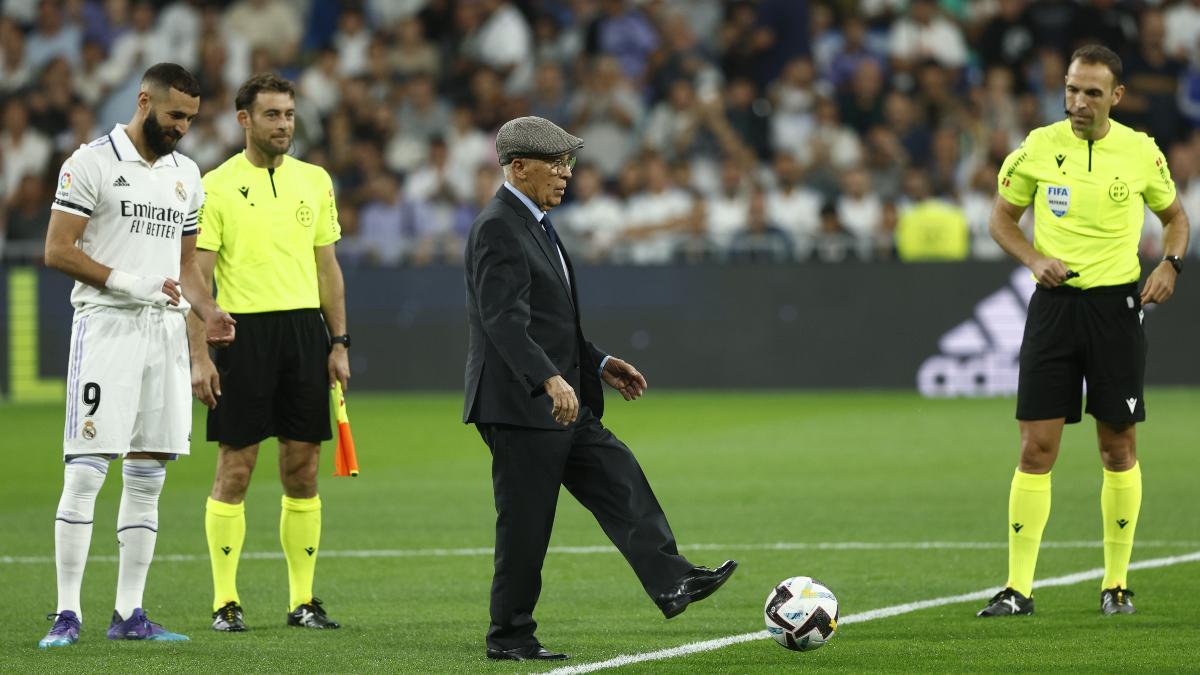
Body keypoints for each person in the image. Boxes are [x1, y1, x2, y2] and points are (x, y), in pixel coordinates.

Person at [463, 116, 737, 662]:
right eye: (556, 164)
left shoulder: (535, 222)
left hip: (563, 399)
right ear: (519, 167)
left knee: (618, 473)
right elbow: (504, 323)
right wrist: (547, 377)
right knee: (527, 523)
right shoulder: (499, 225)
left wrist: (600, 361)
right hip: (522, 405)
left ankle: (673, 580)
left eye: (569, 163)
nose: (567, 174)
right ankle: (510, 637)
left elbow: (550, 322)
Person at [977, 45, 1190, 618]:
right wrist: (1032, 259)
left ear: (1116, 97)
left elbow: (1175, 218)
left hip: (1116, 309)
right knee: (1035, 446)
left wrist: (1170, 264)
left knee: (1117, 447)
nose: (1078, 102)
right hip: (1053, 308)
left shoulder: (1141, 151)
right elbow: (1000, 218)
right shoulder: (1041, 147)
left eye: (1092, 92)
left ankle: (1116, 583)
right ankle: (1018, 588)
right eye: (1072, 89)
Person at [38, 63, 236, 648]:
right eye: (175, 115)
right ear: (144, 100)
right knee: (86, 471)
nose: (182, 128)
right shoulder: (90, 162)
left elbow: (186, 270)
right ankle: (66, 613)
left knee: (147, 476)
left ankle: (129, 614)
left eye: (192, 119)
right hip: (107, 329)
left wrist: (208, 312)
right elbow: (57, 249)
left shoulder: (187, 175)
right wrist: (129, 283)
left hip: (165, 336)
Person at [189, 73, 349, 632]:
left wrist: (339, 342)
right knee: (236, 468)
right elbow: (197, 277)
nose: (284, 124)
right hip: (241, 335)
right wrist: (201, 355)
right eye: (273, 115)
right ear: (244, 121)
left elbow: (327, 268)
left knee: (302, 468)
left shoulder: (315, 180)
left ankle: (303, 601)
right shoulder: (215, 185)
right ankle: (224, 601)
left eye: (288, 114)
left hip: (305, 334)